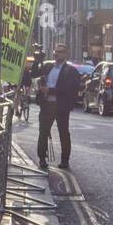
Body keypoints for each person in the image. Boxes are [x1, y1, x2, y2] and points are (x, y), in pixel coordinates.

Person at [36, 42, 80, 171]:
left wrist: (50, 90)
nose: (57, 53)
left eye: (60, 51)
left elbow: (69, 88)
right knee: (43, 132)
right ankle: (42, 158)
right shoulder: (47, 67)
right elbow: (35, 75)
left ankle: (65, 160)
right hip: (46, 105)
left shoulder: (71, 70)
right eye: (56, 51)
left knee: (63, 133)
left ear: (66, 54)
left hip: (61, 106)